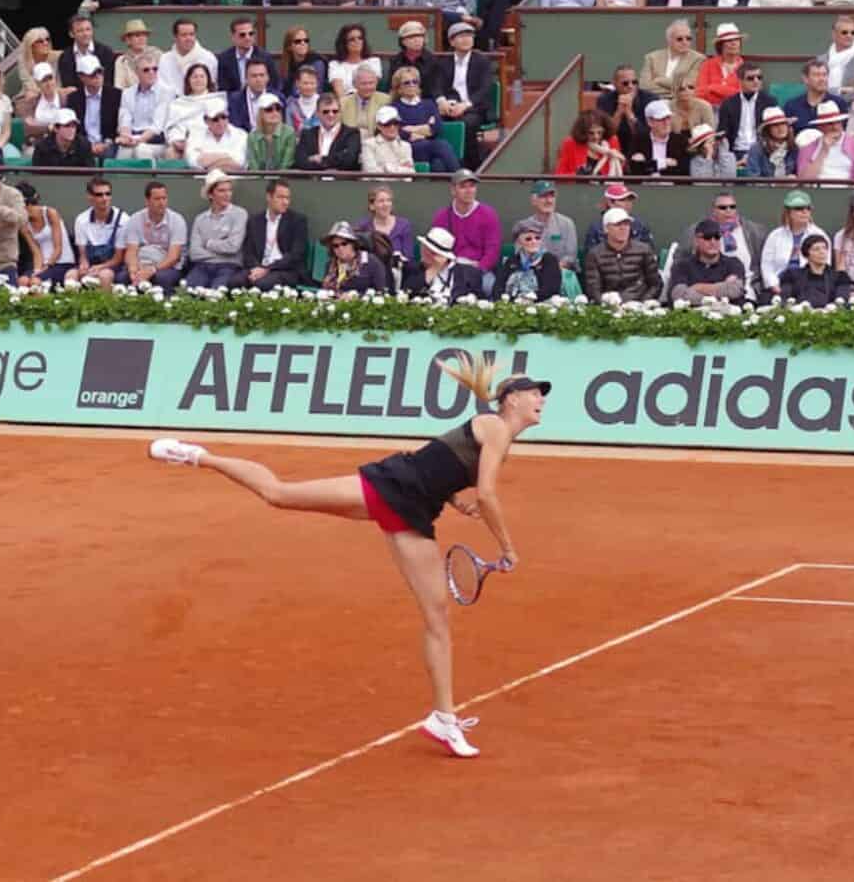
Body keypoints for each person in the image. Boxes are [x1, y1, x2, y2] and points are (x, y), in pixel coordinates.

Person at [147, 353, 543, 756]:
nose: (540, 400)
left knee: (437, 615)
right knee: (279, 494)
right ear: (511, 400)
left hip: (416, 513)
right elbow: (488, 493)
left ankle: (443, 719)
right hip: (393, 487)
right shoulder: (494, 428)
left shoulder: (499, 438)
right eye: (534, 393)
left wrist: (455, 499)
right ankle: (197, 456)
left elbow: (445, 462)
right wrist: (507, 548)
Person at [238, 178, 309, 290]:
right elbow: (248, 252)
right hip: (259, 267)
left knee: (262, 284)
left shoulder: (297, 220)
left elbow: (296, 255)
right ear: (269, 197)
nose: (285, 202)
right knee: (235, 282)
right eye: (280, 197)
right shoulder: (255, 220)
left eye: (287, 198)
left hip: (286, 270)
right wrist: (257, 268)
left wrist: (268, 269)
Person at [582, 207, 660, 301]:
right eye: (617, 225)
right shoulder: (594, 254)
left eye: (626, 224)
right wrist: (606, 303)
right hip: (608, 307)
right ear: (606, 229)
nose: (623, 228)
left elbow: (656, 284)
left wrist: (643, 302)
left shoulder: (644, 250)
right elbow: (593, 289)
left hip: (639, 306)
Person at [430, 169, 500, 269]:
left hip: (478, 268)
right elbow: (434, 248)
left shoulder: (488, 214)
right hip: (449, 268)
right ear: (453, 190)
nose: (469, 191)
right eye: (463, 187)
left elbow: (493, 250)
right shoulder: (442, 216)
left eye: (472, 186)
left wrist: (480, 268)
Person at [493, 222, 562, 301]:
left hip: (541, 303)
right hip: (513, 304)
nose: (534, 241)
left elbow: (551, 289)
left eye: (537, 238)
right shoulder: (512, 261)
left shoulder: (549, 259)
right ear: (519, 242)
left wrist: (527, 298)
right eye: (528, 239)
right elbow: (498, 286)